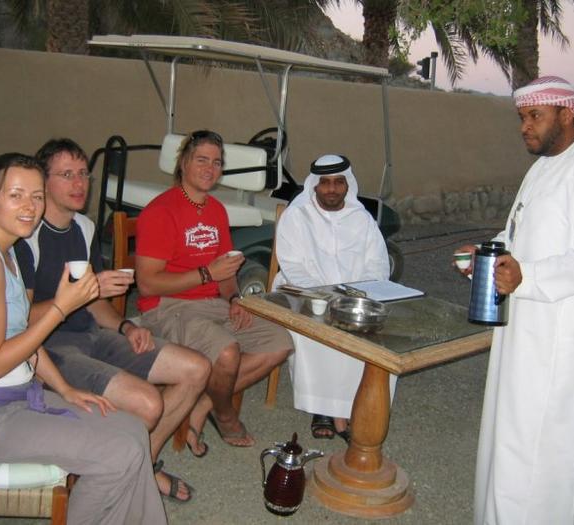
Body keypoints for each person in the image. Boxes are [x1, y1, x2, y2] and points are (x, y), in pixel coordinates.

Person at [0, 153, 167, 524]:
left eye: (36, 196)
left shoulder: (5, 252)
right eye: (15, 195)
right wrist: (61, 308)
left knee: (131, 429)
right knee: (118, 454)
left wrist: (65, 389)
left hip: (16, 398)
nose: (29, 207)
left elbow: (21, 335)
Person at [458, 77, 574, 524]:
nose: (525, 126)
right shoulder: (543, 168)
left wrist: (528, 276)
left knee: (541, 452)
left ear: (568, 115)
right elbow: (518, 234)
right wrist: (487, 254)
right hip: (524, 329)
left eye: (535, 115)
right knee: (510, 440)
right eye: (522, 117)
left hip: (561, 341)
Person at [15, 139, 210, 501]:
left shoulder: (85, 228)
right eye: (67, 175)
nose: (79, 183)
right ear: (43, 181)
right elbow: (19, 319)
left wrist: (127, 326)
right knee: (148, 404)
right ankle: (122, 471)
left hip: (92, 334)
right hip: (49, 349)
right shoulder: (26, 236)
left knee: (196, 369)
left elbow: (95, 305)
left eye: (83, 174)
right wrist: (82, 292)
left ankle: (143, 464)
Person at [135, 130, 293, 449]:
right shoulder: (160, 212)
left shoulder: (216, 210)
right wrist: (207, 273)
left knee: (280, 343)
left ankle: (203, 403)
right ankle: (225, 415)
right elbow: (148, 283)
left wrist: (234, 299)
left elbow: (225, 272)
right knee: (227, 352)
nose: (210, 168)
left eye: (217, 162)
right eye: (202, 160)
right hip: (168, 306)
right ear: (183, 163)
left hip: (213, 304)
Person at [272, 154, 397, 441]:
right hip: (304, 292)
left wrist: (359, 294)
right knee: (317, 333)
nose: (332, 189)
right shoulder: (297, 215)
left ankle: (355, 405)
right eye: (325, 183)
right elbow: (292, 266)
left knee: (377, 334)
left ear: (347, 185)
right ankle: (323, 410)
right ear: (314, 185)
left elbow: (377, 264)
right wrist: (326, 295)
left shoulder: (361, 218)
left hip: (355, 295)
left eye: (338, 182)